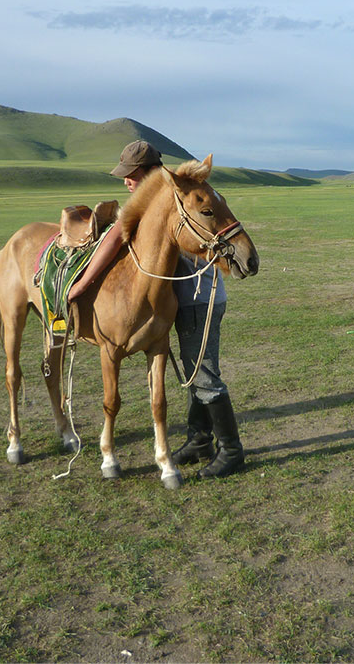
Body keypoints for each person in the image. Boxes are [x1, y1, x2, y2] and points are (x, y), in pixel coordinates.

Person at [66, 140, 245, 478]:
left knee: (204, 378)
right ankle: (199, 440)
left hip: (198, 300)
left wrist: (83, 284)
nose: (126, 182)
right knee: (194, 375)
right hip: (181, 300)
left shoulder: (175, 197)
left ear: (151, 173)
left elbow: (120, 233)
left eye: (132, 175)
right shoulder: (175, 194)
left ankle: (232, 450)